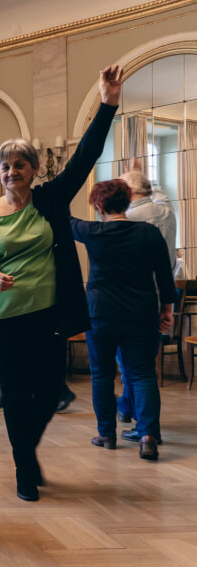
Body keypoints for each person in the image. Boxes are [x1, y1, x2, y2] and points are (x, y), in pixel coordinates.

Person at [0, 65, 124, 501]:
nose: (10, 171)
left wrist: (107, 103)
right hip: (5, 320)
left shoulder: (51, 199)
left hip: (50, 315)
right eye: (4, 165)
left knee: (52, 388)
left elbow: (86, 157)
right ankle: (22, 467)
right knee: (16, 395)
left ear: (33, 169)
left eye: (19, 164)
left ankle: (26, 450)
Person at [71, 180, 174, 460]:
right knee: (142, 374)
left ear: (99, 205)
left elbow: (65, 220)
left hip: (100, 315)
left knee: (102, 375)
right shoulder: (149, 233)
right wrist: (167, 310)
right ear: (127, 202)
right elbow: (164, 275)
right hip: (141, 314)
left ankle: (106, 434)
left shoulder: (91, 231)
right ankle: (148, 436)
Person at [115, 170, 178, 434]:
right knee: (142, 365)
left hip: (129, 298)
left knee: (130, 366)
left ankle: (139, 420)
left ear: (129, 192)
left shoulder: (126, 218)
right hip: (159, 296)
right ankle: (131, 410)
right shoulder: (167, 213)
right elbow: (160, 195)